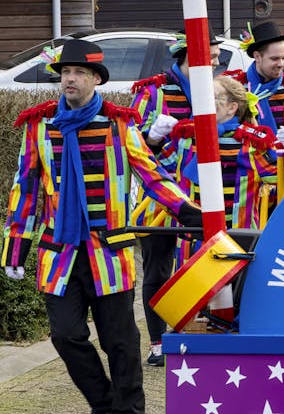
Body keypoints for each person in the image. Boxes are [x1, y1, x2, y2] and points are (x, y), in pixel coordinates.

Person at [1, 39, 202, 414]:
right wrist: (16, 246)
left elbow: (152, 175)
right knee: (66, 336)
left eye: (79, 72)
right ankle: (105, 405)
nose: (70, 79)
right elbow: (24, 188)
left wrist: (189, 212)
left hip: (108, 252)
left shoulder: (119, 124)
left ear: (96, 79)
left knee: (121, 342)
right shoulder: (39, 126)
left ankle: (130, 410)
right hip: (59, 252)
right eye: (65, 72)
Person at [130, 27, 222, 366]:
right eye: (211, 56)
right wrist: (152, 138)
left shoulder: (216, 92)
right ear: (190, 55)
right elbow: (130, 144)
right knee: (157, 269)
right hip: (158, 200)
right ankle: (157, 343)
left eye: (217, 57)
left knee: (199, 266)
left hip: (200, 199)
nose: (216, 63)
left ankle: (194, 336)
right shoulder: (153, 91)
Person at [163, 75, 284, 265]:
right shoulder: (187, 139)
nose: (203, 101)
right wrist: (153, 140)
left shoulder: (252, 145)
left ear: (232, 108)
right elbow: (159, 172)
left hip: (237, 243)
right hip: (192, 242)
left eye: (212, 96)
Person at [226, 21, 284, 133]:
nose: (281, 64)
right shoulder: (234, 87)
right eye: (274, 59)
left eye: (283, 58)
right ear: (257, 56)